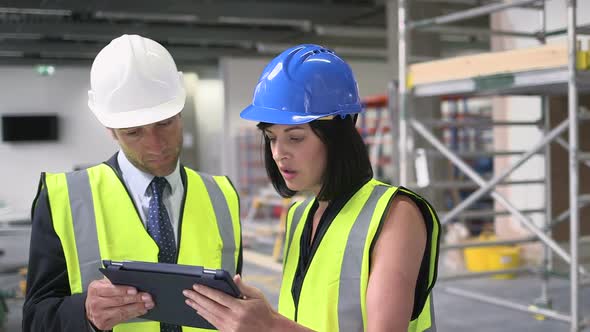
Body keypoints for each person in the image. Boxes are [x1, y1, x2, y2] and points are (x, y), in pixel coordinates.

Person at [182, 44, 440, 332]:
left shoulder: (395, 215)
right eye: (271, 138)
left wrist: (270, 326)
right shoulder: (298, 216)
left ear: (337, 136)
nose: (279, 153)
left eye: (295, 137)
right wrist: (264, 316)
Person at [22, 34, 242, 332]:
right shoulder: (63, 199)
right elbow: (36, 319)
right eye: (134, 133)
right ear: (110, 128)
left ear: (180, 110)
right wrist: (84, 314)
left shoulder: (223, 196)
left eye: (165, 123)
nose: (155, 145)